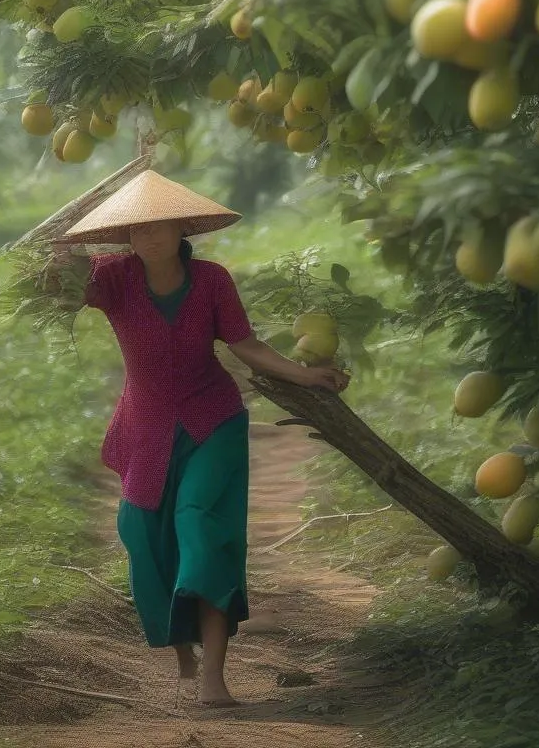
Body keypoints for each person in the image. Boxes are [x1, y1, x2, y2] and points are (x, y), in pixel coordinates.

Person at [49, 168, 349, 708]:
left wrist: (305, 375)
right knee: (142, 534)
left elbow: (245, 345)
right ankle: (181, 646)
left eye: (158, 226)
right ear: (126, 237)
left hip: (213, 421)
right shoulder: (113, 278)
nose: (148, 237)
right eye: (137, 229)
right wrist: (55, 255)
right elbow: (60, 287)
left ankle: (213, 674)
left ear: (181, 226)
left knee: (201, 527)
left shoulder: (212, 280)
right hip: (145, 424)